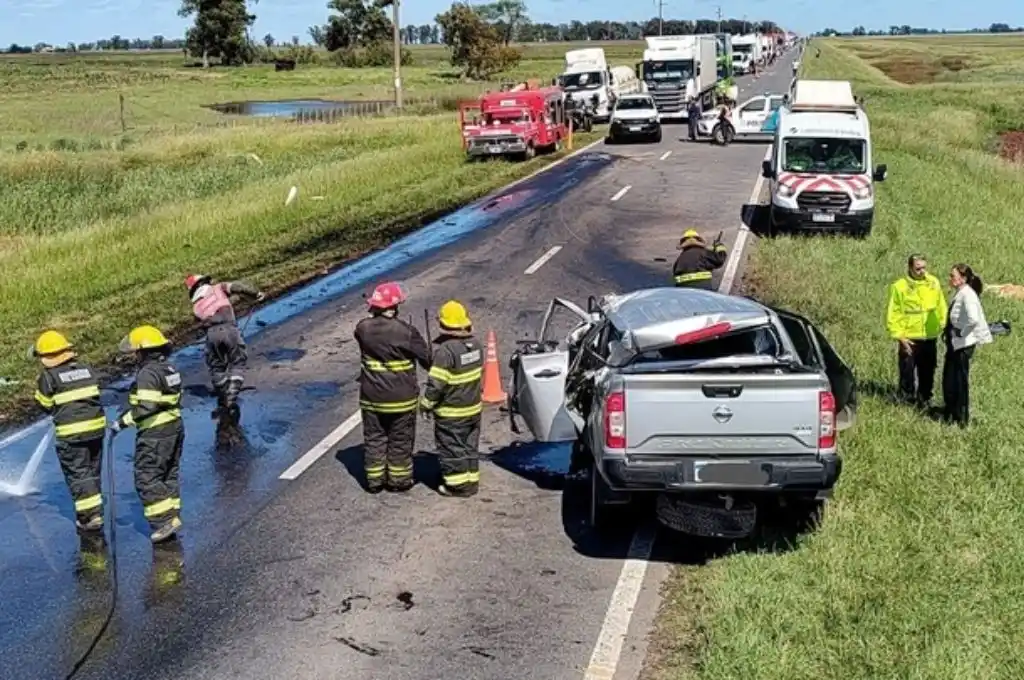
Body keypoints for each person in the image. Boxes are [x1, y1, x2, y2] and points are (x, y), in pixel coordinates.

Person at [353, 282, 432, 493]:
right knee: (400, 440)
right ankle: (399, 481)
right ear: (395, 307)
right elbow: (427, 360)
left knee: (374, 438)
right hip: (401, 399)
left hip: (371, 398)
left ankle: (374, 481)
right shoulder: (406, 332)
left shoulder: (362, 329)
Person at [110, 325, 184, 543]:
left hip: (155, 432)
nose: (133, 356)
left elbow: (147, 407)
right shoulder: (169, 369)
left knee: (147, 476)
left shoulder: (148, 373)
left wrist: (121, 423)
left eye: (135, 352)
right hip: (174, 428)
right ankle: (173, 515)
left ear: (143, 351)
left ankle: (163, 521)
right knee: (168, 473)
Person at [31, 330, 107, 532]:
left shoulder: (48, 377)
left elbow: (44, 404)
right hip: (97, 428)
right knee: (92, 470)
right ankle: (95, 509)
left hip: (72, 434)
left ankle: (89, 517)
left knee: (79, 474)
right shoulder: (86, 369)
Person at [420, 301, 484, 497]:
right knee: (469, 447)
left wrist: (425, 405)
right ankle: (471, 481)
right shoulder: (476, 345)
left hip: (451, 413)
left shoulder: (445, 352)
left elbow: (436, 384)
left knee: (452, 448)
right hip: (473, 409)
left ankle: (458, 486)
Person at [184, 274, 264, 417]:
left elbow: (206, 318)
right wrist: (256, 294)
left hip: (211, 335)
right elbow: (238, 287)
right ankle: (231, 395)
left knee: (216, 366)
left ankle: (223, 391)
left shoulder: (196, 307)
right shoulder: (218, 288)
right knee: (238, 361)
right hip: (229, 329)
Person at [885, 254, 947, 408]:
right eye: (918, 268)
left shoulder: (933, 283)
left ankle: (925, 399)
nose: (922, 271)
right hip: (909, 336)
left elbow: (941, 306)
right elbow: (894, 312)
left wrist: (944, 325)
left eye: (924, 267)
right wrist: (899, 336)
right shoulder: (900, 286)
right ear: (910, 268)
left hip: (929, 335)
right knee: (907, 371)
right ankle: (906, 401)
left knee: (928, 370)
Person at [942, 264, 992, 428]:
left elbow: (973, 319)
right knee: (950, 379)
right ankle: (951, 412)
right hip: (956, 343)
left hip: (963, 344)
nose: (950, 279)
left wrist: (961, 333)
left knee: (959, 381)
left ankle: (961, 417)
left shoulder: (968, 295)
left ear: (963, 278)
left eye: (952, 276)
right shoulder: (961, 292)